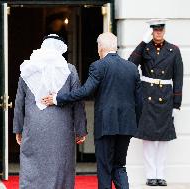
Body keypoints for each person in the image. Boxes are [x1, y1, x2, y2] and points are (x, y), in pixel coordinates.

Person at [42, 32, 142, 189]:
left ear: (99, 47)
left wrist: (57, 98)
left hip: (106, 126)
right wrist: (134, 123)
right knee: (119, 166)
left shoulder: (98, 66)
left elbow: (85, 92)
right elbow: (139, 101)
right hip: (126, 126)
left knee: (104, 168)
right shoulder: (131, 68)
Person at [13, 34, 87, 189]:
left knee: (32, 167)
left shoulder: (28, 69)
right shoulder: (69, 70)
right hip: (61, 129)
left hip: (33, 128)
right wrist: (81, 130)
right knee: (60, 167)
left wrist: (18, 128)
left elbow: (19, 101)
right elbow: (77, 101)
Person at [128, 19, 184, 186]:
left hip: (165, 97)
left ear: (164, 31)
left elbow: (178, 78)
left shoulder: (173, 50)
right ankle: (151, 174)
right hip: (147, 97)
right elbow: (130, 64)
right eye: (155, 30)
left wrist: (176, 103)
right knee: (148, 138)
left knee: (163, 139)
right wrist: (142, 42)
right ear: (151, 31)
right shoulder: (145, 48)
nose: (158, 33)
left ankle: (161, 174)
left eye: (160, 30)